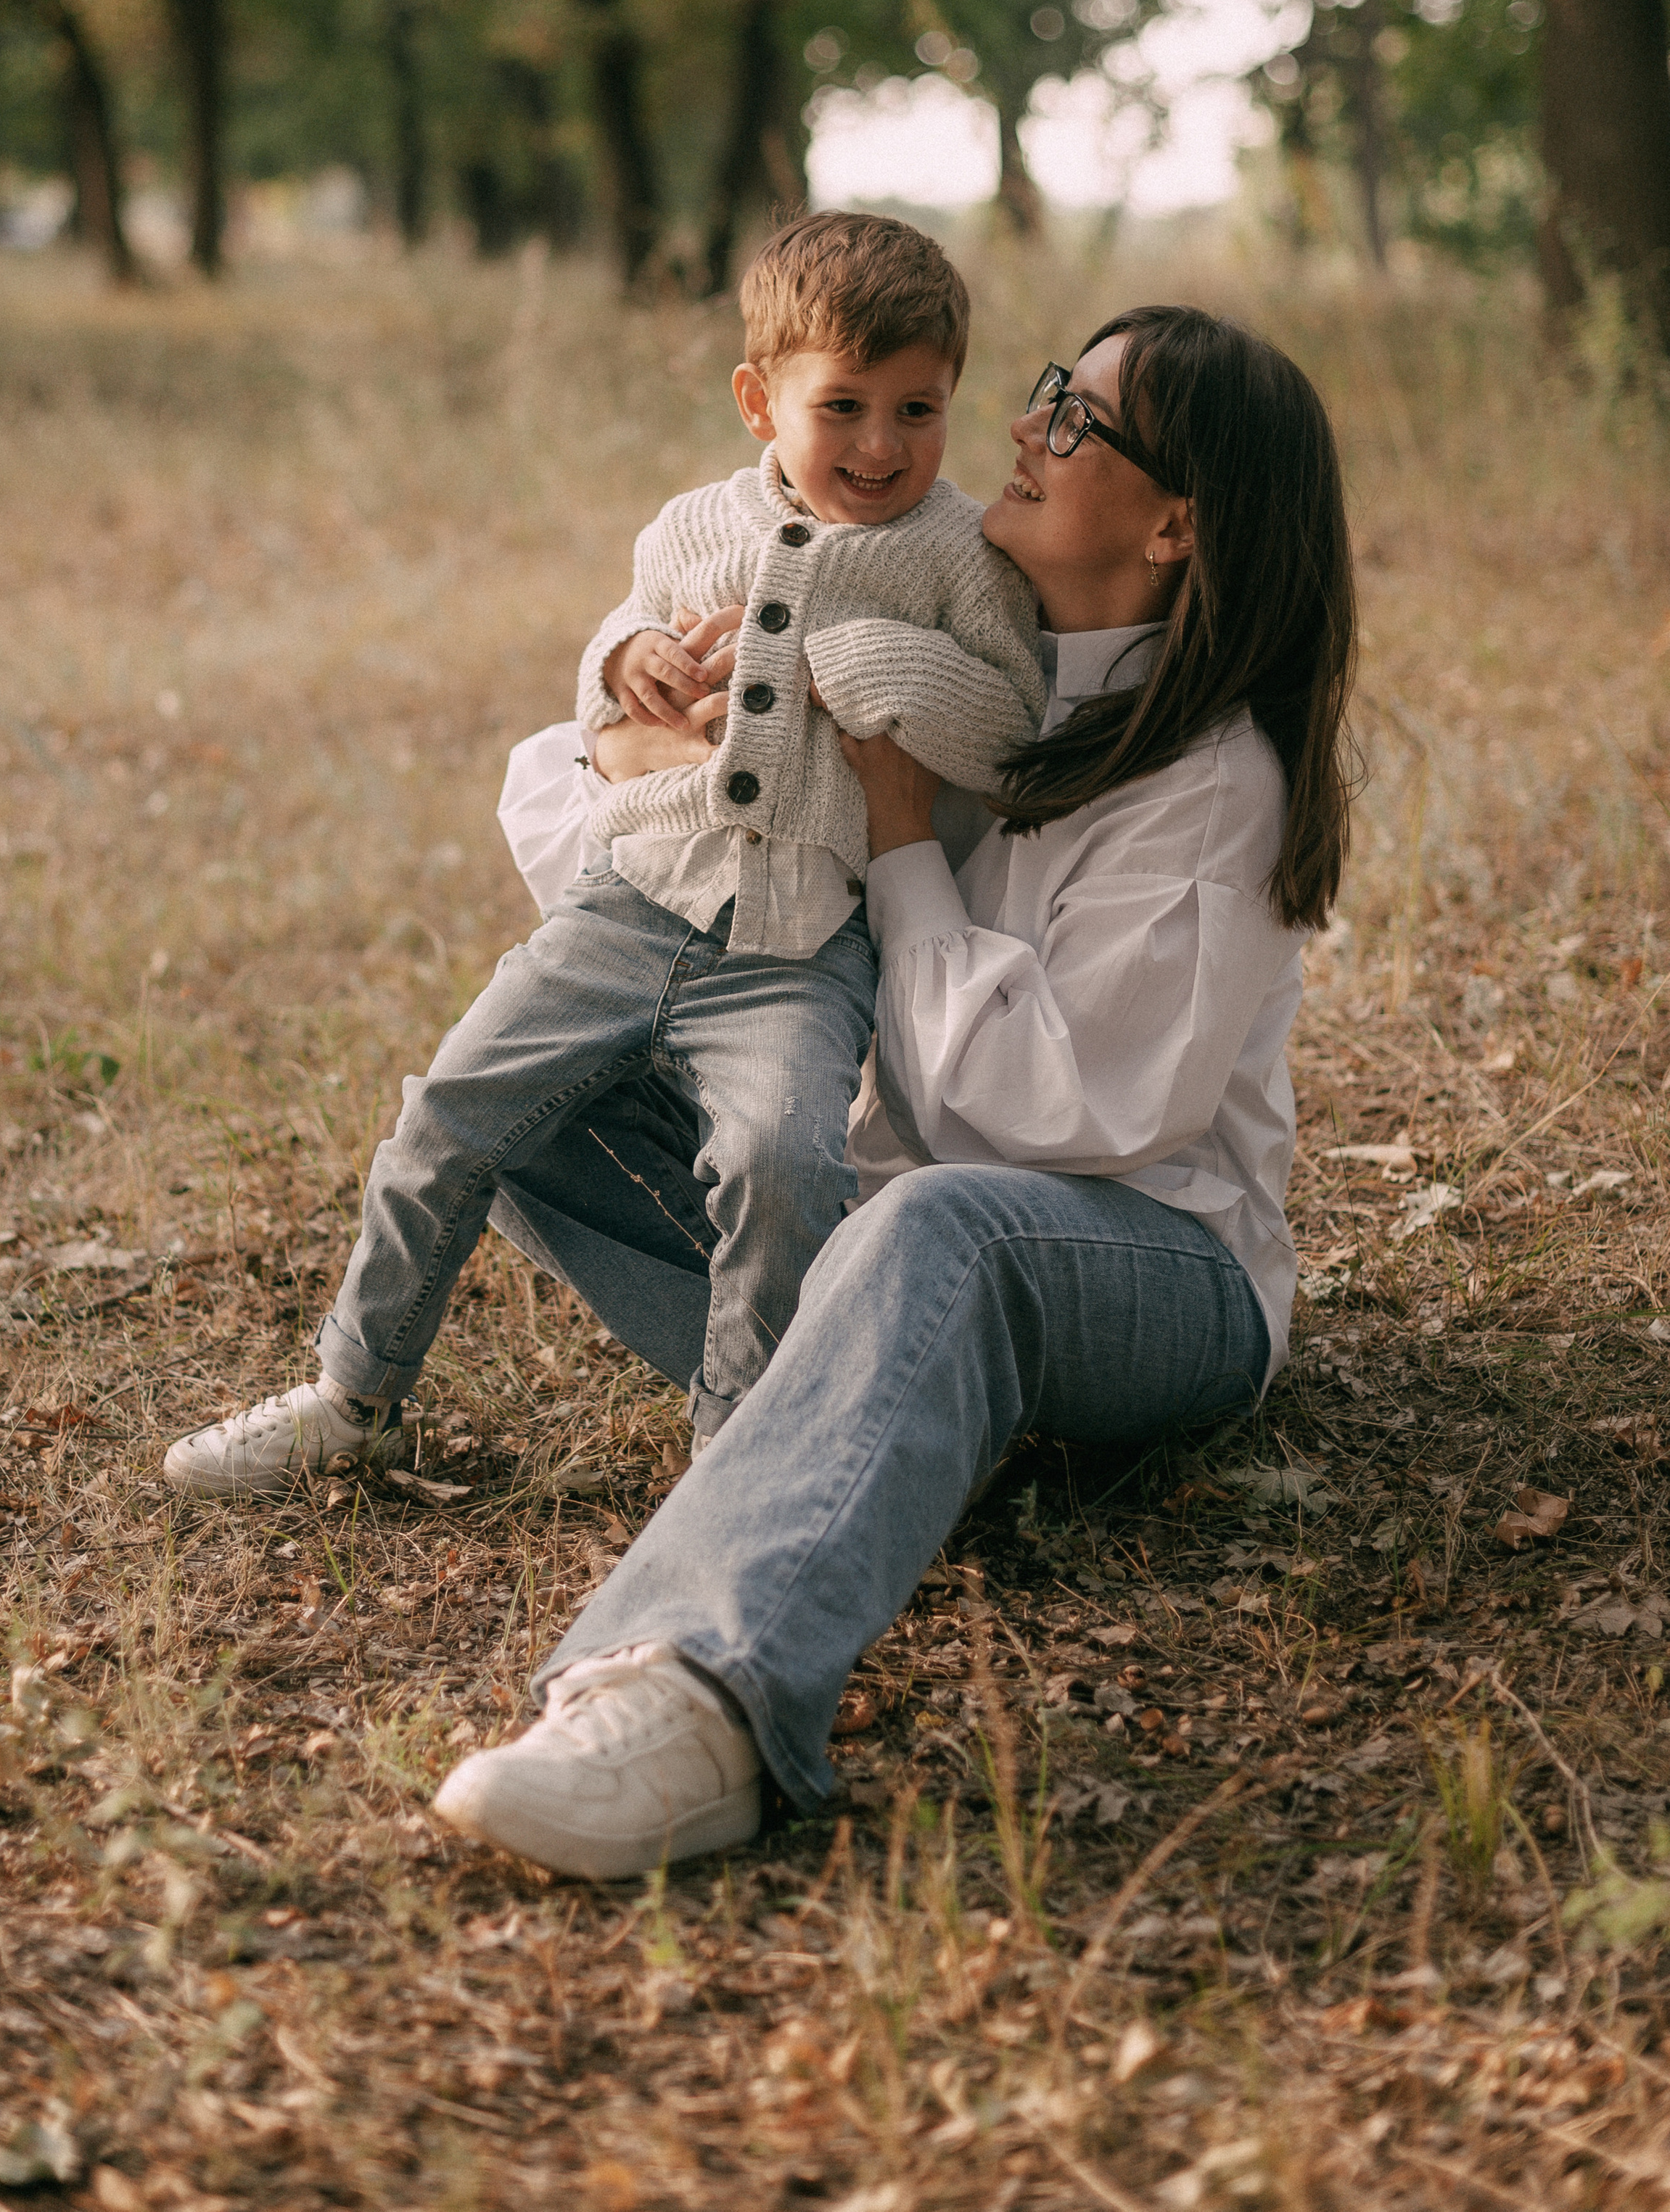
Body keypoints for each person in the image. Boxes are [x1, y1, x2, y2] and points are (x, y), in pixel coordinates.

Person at [431, 302, 1357, 1880]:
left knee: (943, 1231)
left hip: (1155, 1272)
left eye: (1076, 417)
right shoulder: (965, 651)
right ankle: (897, 1422)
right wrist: (637, 741)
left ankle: (695, 1707)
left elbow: (1056, 1122)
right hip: (911, 1231)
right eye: (1047, 389)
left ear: (1172, 524)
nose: (1020, 423)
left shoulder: (1208, 780)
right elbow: (576, 764)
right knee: (530, 1097)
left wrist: (903, 838)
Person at [161, 213, 1044, 1495]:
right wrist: (617, 662)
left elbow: (1009, 722)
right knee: (445, 1115)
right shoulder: (690, 525)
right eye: (843, 405)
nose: (881, 445)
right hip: (627, 905)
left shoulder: (956, 552)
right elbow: (619, 659)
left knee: (785, 1169)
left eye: (920, 410)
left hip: (800, 950)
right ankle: (352, 1396)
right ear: (759, 400)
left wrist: (840, 657)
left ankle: (741, 1464)